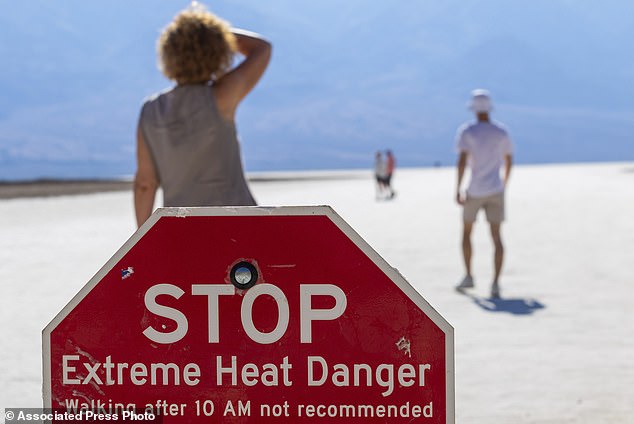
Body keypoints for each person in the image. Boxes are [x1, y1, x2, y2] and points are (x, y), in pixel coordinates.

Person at [134, 3, 272, 227]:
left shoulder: (151, 110)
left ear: (167, 54)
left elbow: (145, 183)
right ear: (218, 53)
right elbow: (261, 49)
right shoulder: (222, 96)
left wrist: (144, 239)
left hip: (182, 227)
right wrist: (213, 34)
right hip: (238, 222)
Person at [455, 89, 513, 298]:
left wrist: (458, 188)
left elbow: (462, 161)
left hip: (475, 189)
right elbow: (508, 158)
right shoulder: (501, 132)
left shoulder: (467, 132)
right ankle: (496, 282)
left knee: (467, 232)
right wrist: (505, 181)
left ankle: (469, 275)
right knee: (496, 236)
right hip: (496, 189)